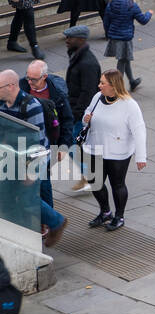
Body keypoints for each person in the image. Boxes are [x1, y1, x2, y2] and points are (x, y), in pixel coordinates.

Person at [0, 68, 66, 246]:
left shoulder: (31, 106)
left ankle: (56, 222)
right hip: (12, 158)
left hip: (32, 159)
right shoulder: (3, 105)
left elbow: (36, 142)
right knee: (6, 196)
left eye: (0, 87)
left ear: (11, 86)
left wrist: (29, 171)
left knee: (27, 196)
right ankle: (17, 232)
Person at [80, 70, 147, 231]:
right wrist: (86, 118)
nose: (99, 85)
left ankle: (119, 216)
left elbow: (139, 130)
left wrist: (141, 156)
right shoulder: (97, 97)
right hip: (95, 147)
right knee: (95, 181)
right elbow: (87, 114)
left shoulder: (129, 105)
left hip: (118, 152)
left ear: (113, 85)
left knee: (117, 184)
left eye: (103, 83)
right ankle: (105, 211)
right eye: (100, 82)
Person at [61, 25, 100, 192]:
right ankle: (88, 176)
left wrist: (76, 114)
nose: (67, 41)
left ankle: (91, 177)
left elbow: (88, 92)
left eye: (70, 38)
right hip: (75, 111)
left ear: (81, 40)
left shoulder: (87, 63)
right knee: (74, 147)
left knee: (74, 146)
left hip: (81, 114)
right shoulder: (77, 57)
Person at [103, 0, 152, 91]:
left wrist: (108, 33)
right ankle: (116, 87)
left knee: (125, 59)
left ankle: (132, 81)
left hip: (114, 37)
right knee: (122, 61)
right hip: (125, 39)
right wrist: (149, 13)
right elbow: (143, 20)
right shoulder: (132, 6)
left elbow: (106, 22)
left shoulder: (111, 4)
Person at [20, 60, 74, 154]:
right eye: (27, 77)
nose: (29, 82)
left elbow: (67, 121)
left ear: (44, 76)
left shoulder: (58, 95)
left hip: (50, 143)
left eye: (34, 79)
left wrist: (63, 147)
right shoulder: (22, 85)